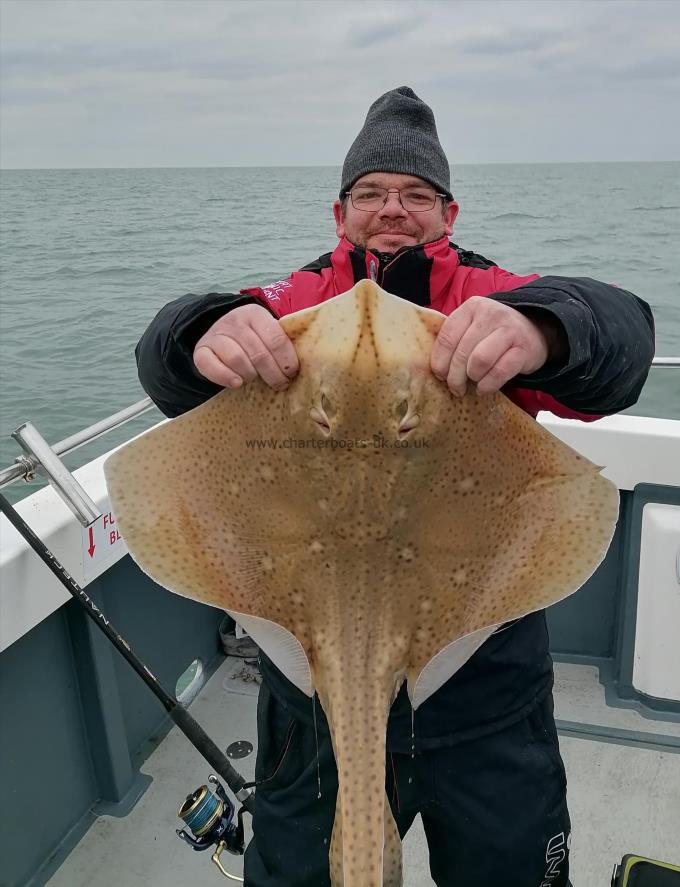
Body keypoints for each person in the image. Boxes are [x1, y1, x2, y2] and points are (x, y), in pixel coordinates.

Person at [136, 87, 655, 887]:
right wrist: (198, 330)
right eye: (372, 192)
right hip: (312, 680)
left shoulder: (490, 299)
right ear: (338, 211)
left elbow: (622, 336)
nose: (393, 208)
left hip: (483, 673)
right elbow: (171, 365)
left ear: (449, 213)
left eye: (416, 194)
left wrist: (544, 328)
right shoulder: (295, 305)